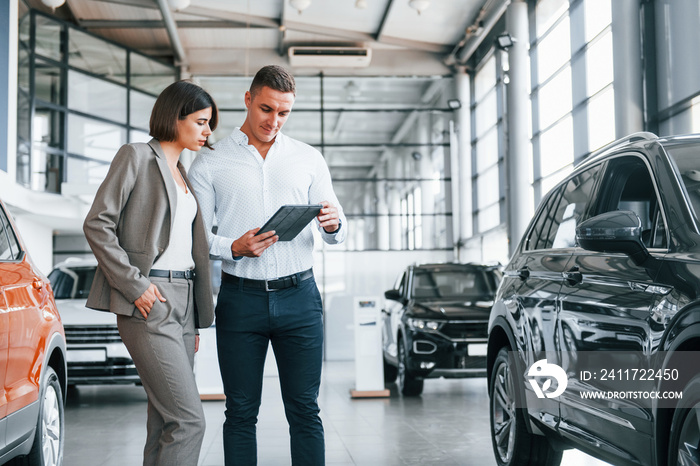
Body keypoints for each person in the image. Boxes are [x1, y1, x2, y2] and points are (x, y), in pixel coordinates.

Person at [188, 64, 346, 465]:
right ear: (247, 100)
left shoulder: (308, 159)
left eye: (283, 113)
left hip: (300, 298)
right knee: (240, 413)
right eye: (266, 109)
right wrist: (234, 246)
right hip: (241, 302)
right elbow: (198, 240)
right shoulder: (210, 162)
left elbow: (337, 228)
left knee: (305, 411)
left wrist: (334, 223)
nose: (274, 121)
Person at [83, 80, 217, 466]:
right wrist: (134, 285)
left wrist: (194, 318)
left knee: (164, 421)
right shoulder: (137, 156)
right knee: (189, 420)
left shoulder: (184, 174)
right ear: (175, 118)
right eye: (201, 122)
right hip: (150, 297)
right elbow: (97, 224)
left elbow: (192, 252)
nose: (208, 132)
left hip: (185, 301)